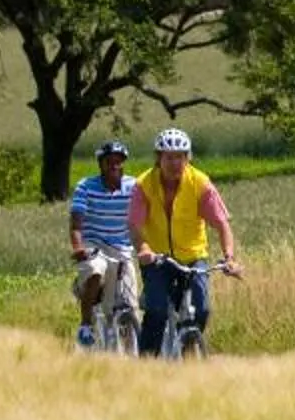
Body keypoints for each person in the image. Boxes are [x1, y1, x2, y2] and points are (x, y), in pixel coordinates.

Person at [133, 126, 240, 355]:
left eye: (180, 157)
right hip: (158, 258)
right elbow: (134, 224)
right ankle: (145, 363)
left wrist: (229, 258)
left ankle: (188, 348)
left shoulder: (200, 183)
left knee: (201, 309)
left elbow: (222, 224)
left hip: (194, 257)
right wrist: (143, 248)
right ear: (158, 158)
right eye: (169, 157)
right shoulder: (143, 185)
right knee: (157, 311)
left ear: (188, 158)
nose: (175, 163)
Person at [68, 138, 139, 346]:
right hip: (94, 245)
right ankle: (86, 325)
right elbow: (76, 224)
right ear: (101, 164)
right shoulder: (86, 186)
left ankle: (130, 351)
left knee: (131, 305)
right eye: (109, 161)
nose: (114, 166)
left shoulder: (133, 187)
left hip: (123, 249)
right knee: (95, 272)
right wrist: (78, 248)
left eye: (118, 161)